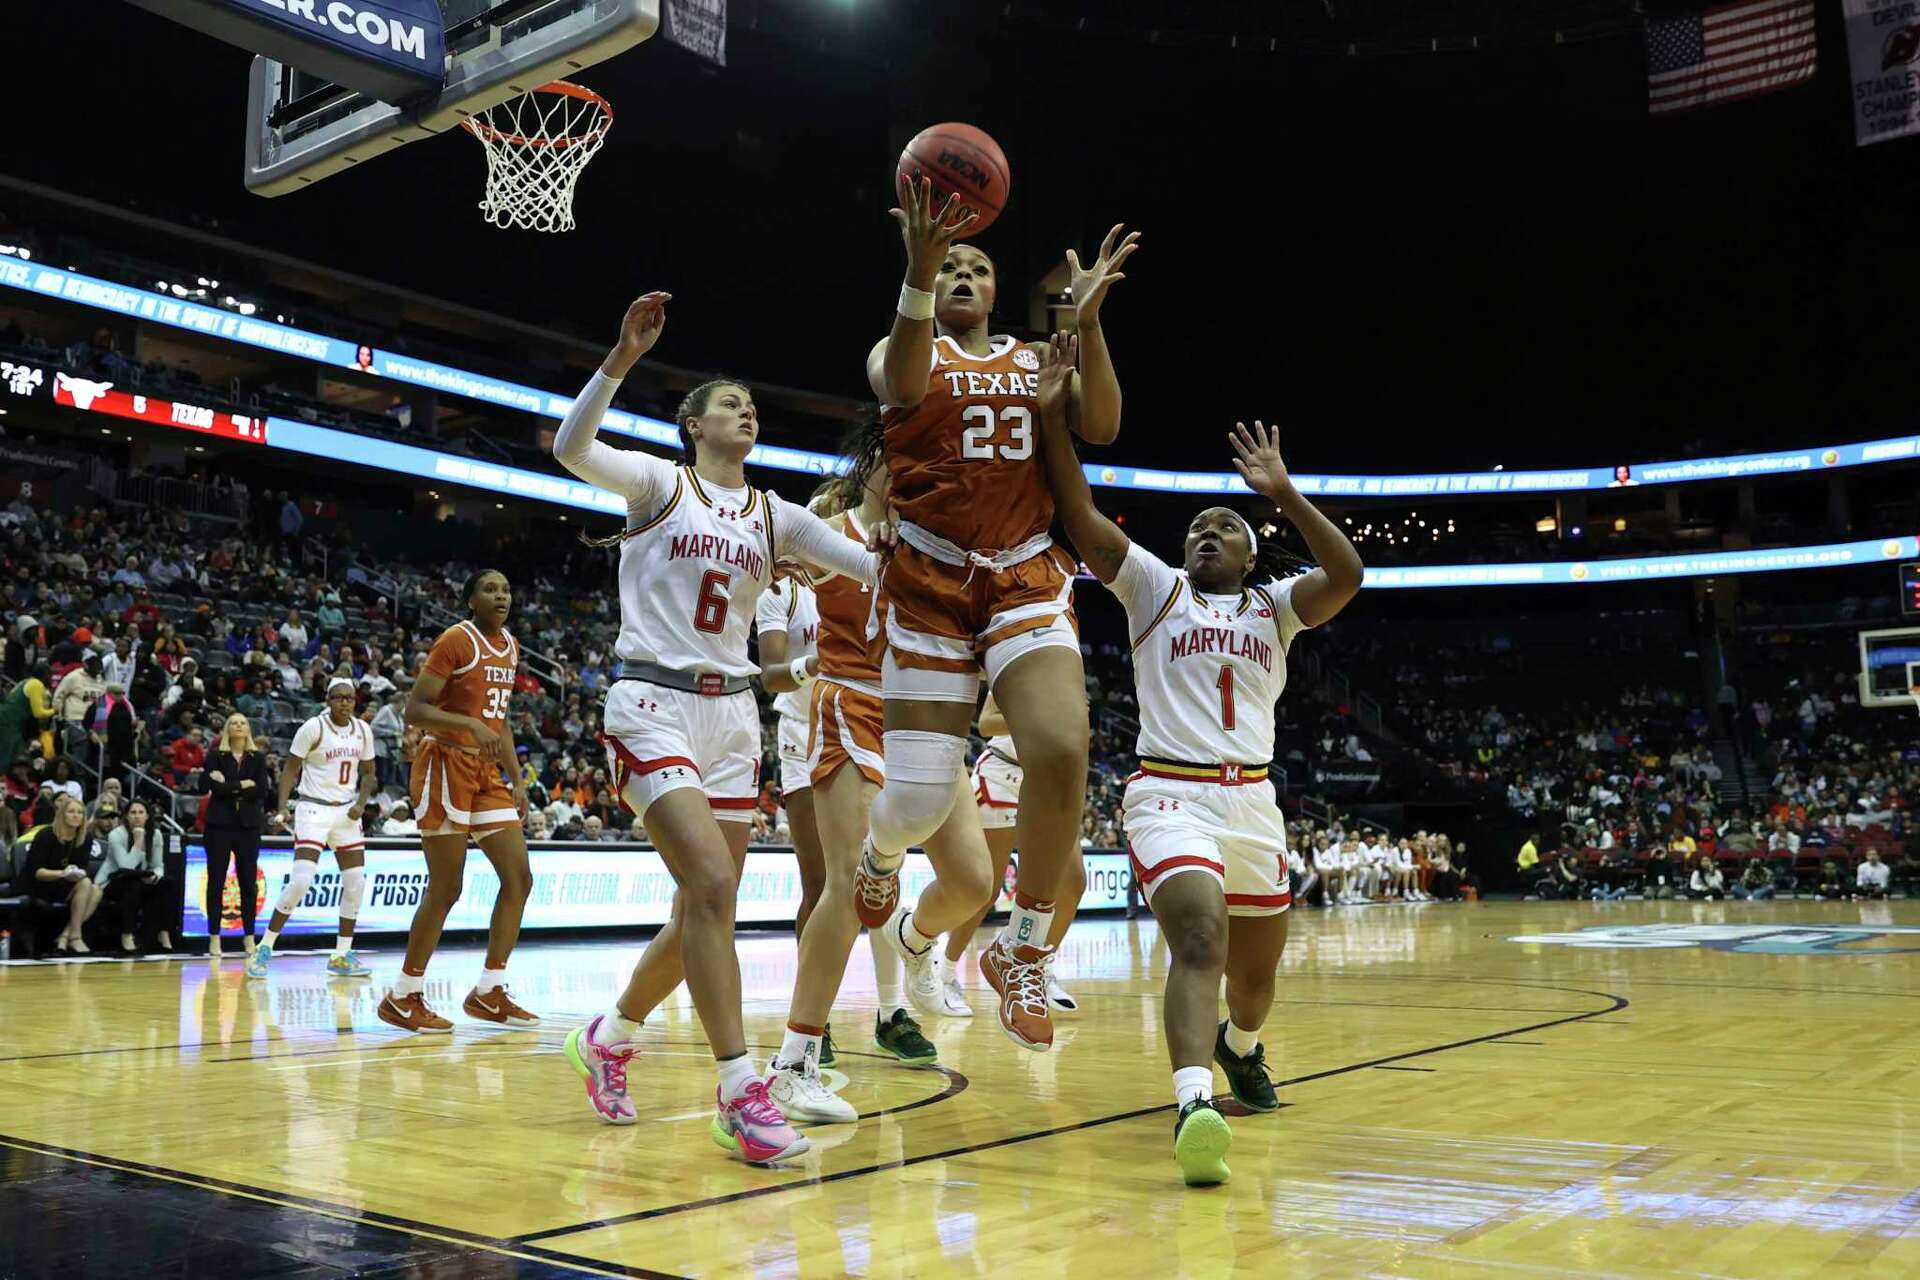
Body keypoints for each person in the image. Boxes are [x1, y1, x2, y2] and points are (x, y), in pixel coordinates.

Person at [551, 293, 890, 1164]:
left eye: (751, 403)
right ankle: (743, 1089)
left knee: (703, 905)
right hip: (652, 700)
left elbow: (872, 565)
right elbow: (571, 448)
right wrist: (620, 359)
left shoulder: (778, 516)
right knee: (711, 886)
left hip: (733, 717)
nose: (747, 409)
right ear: (693, 425)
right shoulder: (662, 485)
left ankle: (611, 1035)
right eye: (728, 402)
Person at [1032, 335, 1362, 1187]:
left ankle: (1239, 1048)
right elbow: (1081, 519)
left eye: (1225, 527)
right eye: (1197, 529)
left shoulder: (1276, 605)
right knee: (1200, 938)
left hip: (1253, 804)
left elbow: (1349, 574)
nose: (1207, 534)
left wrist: (1283, 492)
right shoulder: (1154, 588)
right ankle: (1194, 1100)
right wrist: (1049, 422)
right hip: (1169, 793)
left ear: (1252, 554)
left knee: (1254, 986)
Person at [857, 180, 1138, 1053]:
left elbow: (1105, 424)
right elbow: (898, 382)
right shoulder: (904, 348)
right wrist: (918, 269)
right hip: (931, 584)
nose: (966, 276)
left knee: (1062, 750)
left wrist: (1086, 323)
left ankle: (1021, 950)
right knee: (915, 801)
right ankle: (878, 861)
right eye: (954, 270)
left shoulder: (1032, 356)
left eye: (979, 266)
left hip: (1023, 575)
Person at [763, 431, 994, 1124]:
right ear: (872, 468)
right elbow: (758, 566)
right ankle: (795, 1060)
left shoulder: (942, 542)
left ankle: (912, 942)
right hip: (852, 702)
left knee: (975, 883)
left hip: (928, 710)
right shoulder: (821, 534)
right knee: (844, 886)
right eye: (905, 464)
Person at [379, 571, 539, 1033]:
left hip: (487, 772)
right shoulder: (456, 639)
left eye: (507, 589)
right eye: (490, 589)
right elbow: (416, 709)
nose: (501, 596)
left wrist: (517, 779)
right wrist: (469, 727)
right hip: (444, 763)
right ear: (471, 599)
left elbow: (500, 721)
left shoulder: (509, 646)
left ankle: (490, 990)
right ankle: (402, 995)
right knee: (447, 887)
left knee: (519, 877)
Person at [942, 691, 1083, 1016]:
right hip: (1003, 774)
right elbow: (987, 723)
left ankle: (1036, 967)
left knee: (1073, 882)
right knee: (986, 890)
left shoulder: (1070, 674)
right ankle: (945, 972)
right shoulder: (1020, 665)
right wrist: (1037, 719)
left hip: (1049, 779)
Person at [250, 679, 378, 981]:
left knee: (355, 882)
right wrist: (283, 807)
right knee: (301, 881)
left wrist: (361, 802)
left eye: (350, 698)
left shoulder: (363, 730)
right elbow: (291, 769)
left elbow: (370, 772)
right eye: (338, 698)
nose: (345, 702)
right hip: (314, 809)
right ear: (328, 699)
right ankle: (264, 946)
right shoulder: (312, 727)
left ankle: (341, 954)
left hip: (346, 812)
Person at [754, 574, 826, 944]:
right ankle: (808, 996)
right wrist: (813, 664)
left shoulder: (859, 573)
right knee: (818, 880)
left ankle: (889, 995)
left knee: (870, 872)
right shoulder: (782, 592)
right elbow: (771, 676)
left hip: (857, 722)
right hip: (801, 731)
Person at [204, 711, 269, 958]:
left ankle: (249, 937)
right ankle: (214, 938)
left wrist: (228, 786)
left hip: (248, 827)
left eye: (243, 723)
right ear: (227, 729)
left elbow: (262, 789)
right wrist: (242, 785)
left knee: (248, 883)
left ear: (249, 729)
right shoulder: (215, 756)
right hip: (219, 825)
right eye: (234, 723)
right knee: (216, 881)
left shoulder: (258, 758)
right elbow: (212, 787)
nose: (239, 726)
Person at [25, 794, 99, 955]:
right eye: (71, 811)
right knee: (87, 884)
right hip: (43, 885)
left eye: (80, 812)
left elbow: (83, 867)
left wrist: (76, 873)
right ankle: (75, 936)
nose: (76, 815)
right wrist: (62, 873)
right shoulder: (46, 835)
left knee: (96, 889)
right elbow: (36, 872)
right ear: (62, 814)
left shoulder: (85, 838)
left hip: (67, 885)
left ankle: (65, 936)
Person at [96, 799, 166, 954]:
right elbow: (126, 867)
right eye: (132, 813)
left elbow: (158, 865)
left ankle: (161, 934)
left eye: (141, 812)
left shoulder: (156, 835)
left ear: (147, 816)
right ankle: (127, 934)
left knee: (166, 883)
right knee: (132, 883)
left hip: (140, 879)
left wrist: (155, 876)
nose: (137, 816)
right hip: (111, 882)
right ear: (126, 816)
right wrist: (138, 841)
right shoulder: (116, 834)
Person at [0, 660, 53, 768]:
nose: (50, 678)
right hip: (9, 721)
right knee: (7, 754)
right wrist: (55, 710)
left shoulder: (25, 681)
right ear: (44, 674)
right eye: (49, 674)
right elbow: (38, 713)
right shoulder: (36, 684)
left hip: (8, 718)